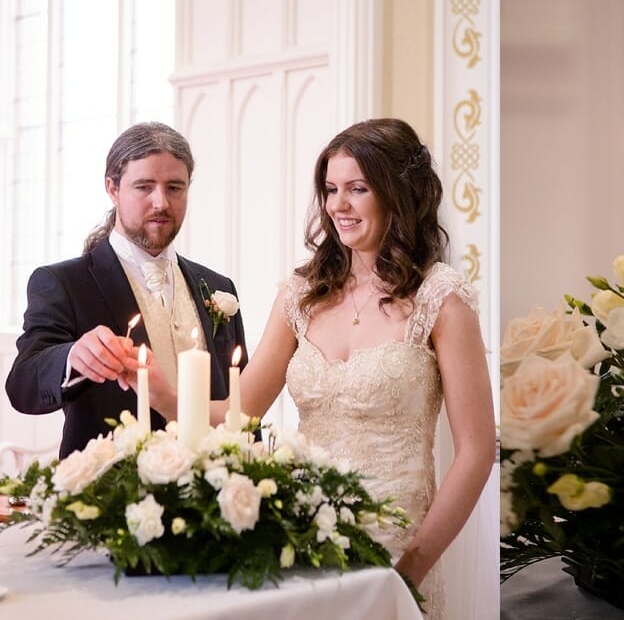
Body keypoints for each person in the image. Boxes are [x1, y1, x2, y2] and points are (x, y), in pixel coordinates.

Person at [136, 118, 495, 618]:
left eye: (357, 189)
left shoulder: (441, 300)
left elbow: (477, 451)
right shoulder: (301, 295)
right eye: (330, 189)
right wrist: (164, 395)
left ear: (399, 193)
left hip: (396, 544)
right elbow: (243, 413)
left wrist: (410, 568)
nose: (338, 206)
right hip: (303, 541)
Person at [6, 122, 248, 459]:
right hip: (109, 493)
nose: (161, 202)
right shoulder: (63, 283)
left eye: (174, 187)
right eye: (144, 187)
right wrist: (72, 357)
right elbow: (23, 386)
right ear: (112, 188)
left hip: (210, 491)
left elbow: (240, 396)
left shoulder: (220, 288)